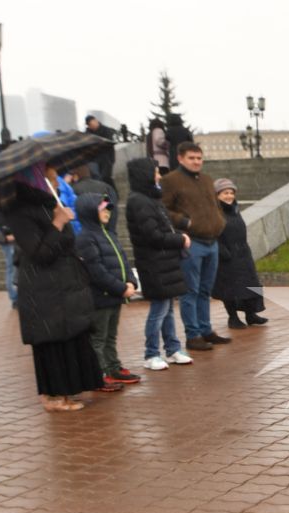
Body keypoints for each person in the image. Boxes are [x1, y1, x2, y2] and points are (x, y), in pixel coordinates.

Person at [5, 176, 103, 412]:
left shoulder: (49, 204)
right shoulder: (19, 212)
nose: (55, 180)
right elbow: (39, 253)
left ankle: (69, 389)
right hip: (43, 286)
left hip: (65, 281)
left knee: (70, 333)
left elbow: (65, 242)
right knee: (52, 338)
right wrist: (57, 223)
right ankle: (54, 396)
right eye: (49, 175)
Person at [125, 157, 193, 372]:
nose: (159, 176)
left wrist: (178, 234)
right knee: (159, 309)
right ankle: (151, 353)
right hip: (154, 263)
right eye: (155, 171)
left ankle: (172, 349)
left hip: (164, 262)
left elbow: (163, 229)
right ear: (145, 174)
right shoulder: (138, 201)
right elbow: (153, 236)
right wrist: (180, 239)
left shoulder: (150, 199)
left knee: (167, 308)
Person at [160, 142, 228, 350]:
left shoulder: (207, 180)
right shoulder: (170, 180)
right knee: (191, 291)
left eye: (199, 158)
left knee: (206, 290)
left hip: (212, 241)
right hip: (192, 242)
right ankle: (193, 335)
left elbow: (215, 206)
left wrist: (220, 221)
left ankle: (206, 330)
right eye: (192, 158)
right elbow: (162, 209)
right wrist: (184, 223)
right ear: (180, 158)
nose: (197, 162)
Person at [73, 195, 138, 390]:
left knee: (110, 335)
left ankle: (112, 367)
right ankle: (99, 374)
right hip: (100, 297)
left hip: (115, 296)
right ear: (90, 212)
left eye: (108, 209)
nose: (107, 212)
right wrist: (120, 287)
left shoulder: (108, 234)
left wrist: (130, 281)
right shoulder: (85, 238)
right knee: (99, 338)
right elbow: (96, 271)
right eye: (102, 209)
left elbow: (123, 261)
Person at [211, 178, 267, 329]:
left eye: (231, 193)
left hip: (243, 253)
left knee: (251, 284)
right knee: (229, 288)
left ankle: (251, 314)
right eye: (225, 193)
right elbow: (213, 235)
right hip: (226, 256)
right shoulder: (215, 213)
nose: (229, 196)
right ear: (217, 195)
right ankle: (233, 318)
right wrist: (223, 252)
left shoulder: (235, 210)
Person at [83, 113, 118, 184]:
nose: (93, 126)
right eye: (90, 125)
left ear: (96, 121)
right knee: (97, 179)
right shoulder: (87, 134)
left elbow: (109, 144)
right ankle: (103, 194)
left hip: (106, 158)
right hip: (94, 159)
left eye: (93, 123)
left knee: (106, 178)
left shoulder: (106, 130)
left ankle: (111, 194)